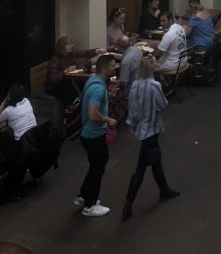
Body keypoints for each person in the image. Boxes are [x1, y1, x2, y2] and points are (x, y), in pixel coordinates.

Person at [121, 56, 179, 220]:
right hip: (152, 129)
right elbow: (163, 104)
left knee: (156, 159)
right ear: (151, 68)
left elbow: (131, 108)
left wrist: (133, 124)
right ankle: (128, 203)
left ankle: (164, 189)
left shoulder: (135, 85)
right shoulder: (155, 86)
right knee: (141, 167)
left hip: (141, 128)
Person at [76, 53, 117, 217]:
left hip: (88, 133)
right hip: (93, 134)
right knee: (98, 168)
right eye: (113, 66)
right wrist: (108, 120)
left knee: (96, 166)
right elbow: (93, 114)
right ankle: (90, 205)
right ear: (106, 69)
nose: (115, 68)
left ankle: (83, 195)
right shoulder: (98, 89)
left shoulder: (92, 80)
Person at [46, 36, 104, 105]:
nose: (71, 46)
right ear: (62, 47)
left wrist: (96, 51)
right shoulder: (55, 60)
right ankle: (70, 112)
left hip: (67, 81)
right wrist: (65, 71)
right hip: (56, 86)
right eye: (68, 44)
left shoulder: (71, 53)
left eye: (71, 44)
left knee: (85, 85)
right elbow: (53, 79)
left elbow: (84, 53)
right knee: (72, 92)